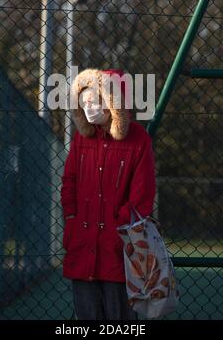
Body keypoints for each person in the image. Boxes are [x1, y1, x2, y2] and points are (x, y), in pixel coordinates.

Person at [60, 68, 156, 320]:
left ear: (113, 103)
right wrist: (71, 218)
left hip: (119, 250)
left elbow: (142, 194)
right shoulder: (81, 139)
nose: (90, 107)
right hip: (83, 245)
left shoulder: (138, 140)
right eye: (85, 102)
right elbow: (69, 181)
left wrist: (120, 224)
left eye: (96, 101)